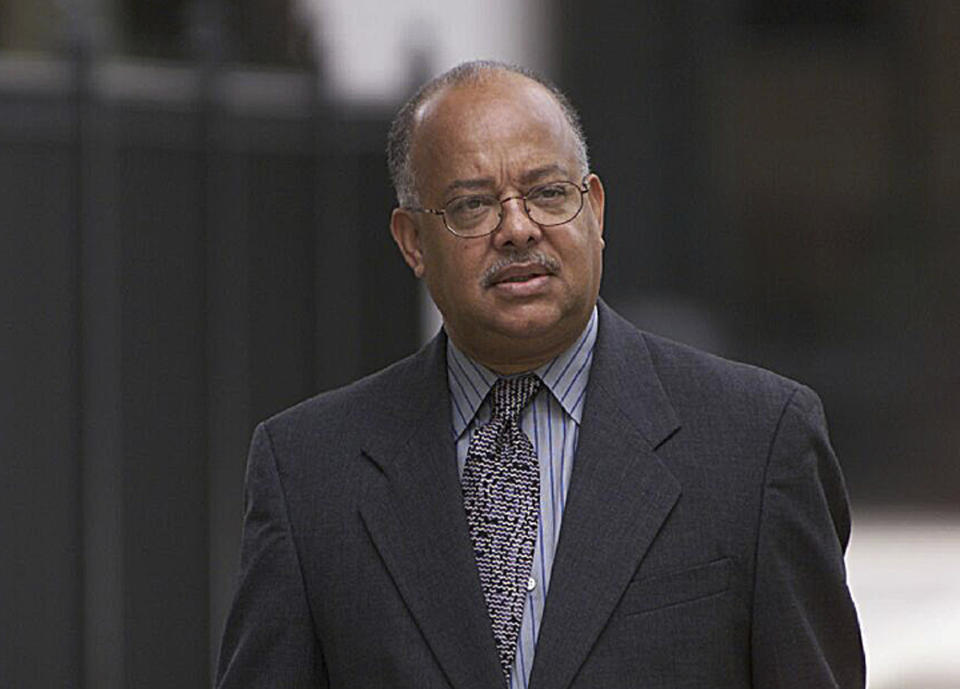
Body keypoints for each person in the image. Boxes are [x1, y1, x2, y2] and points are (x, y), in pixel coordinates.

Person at [215, 60, 865, 689]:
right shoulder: (307, 474)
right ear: (412, 239)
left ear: (596, 209)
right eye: (473, 205)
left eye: (549, 193)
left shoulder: (757, 444)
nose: (518, 228)